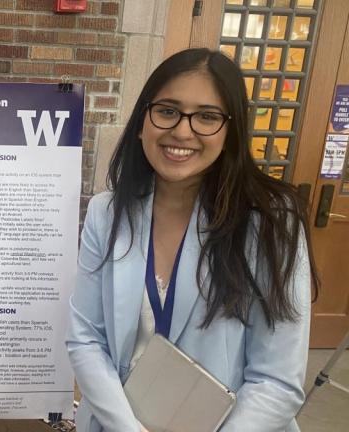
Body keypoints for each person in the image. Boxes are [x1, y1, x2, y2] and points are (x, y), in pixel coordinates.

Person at [66, 48, 318, 432]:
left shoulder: (271, 223)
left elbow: (276, 381)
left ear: (231, 132)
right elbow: (86, 340)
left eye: (207, 117)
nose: (183, 132)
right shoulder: (107, 213)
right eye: (167, 110)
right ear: (142, 122)